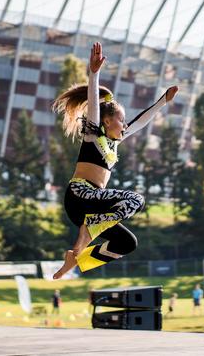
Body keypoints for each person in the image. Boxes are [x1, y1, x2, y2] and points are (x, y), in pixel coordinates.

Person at [52, 42, 179, 278]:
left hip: (91, 209)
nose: (125, 126)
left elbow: (140, 122)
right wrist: (94, 72)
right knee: (136, 199)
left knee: (127, 243)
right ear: (107, 121)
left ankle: (79, 258)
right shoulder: (92, 134)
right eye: (121, 121)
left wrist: (163, 101)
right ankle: (87, 233)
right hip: (80, 196)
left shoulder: (114, 142)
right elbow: (93, 104)